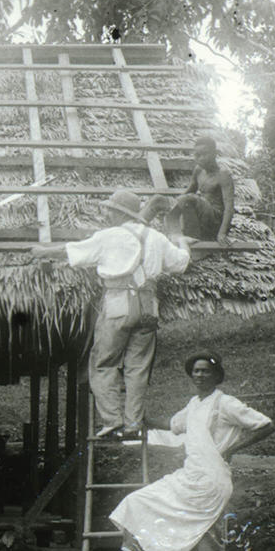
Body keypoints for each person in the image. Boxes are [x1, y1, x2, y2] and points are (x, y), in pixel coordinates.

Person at [31, 188, 193, 438]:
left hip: (119, 303)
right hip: (149, 307)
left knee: (103, 362)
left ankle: (112, 419)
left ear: (119, 213)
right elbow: (180, 263)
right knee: (137, 367)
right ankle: (133, 423)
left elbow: (73, 250)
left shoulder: (109, 236)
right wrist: (181, 242)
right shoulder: (157, 237)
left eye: (110, 210)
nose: (106, 213)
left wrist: (43, 252)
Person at [108, 351, 274, 551]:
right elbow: (173, 425)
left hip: (212, 482)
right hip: (190, 478)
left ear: (216, 375)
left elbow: (266, 424)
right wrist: (140, 418)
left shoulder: (225, 403)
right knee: (136, 502)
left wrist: (230, 450)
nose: (199, 375)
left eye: (205, 370)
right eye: (196, 370)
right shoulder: (194, 404)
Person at [142, 136, 234, 245]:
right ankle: (134, 228)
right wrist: (171, 205)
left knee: (189, 199)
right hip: (200, 215)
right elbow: (190, 190)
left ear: (215, 153)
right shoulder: (199, 170)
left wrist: (222, 233)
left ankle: (188, 239)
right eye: (197, 155)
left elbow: (229, 208)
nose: (200, 158)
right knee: (158, 199)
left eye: (204, 154)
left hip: (214, 222)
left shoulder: (223, 175)